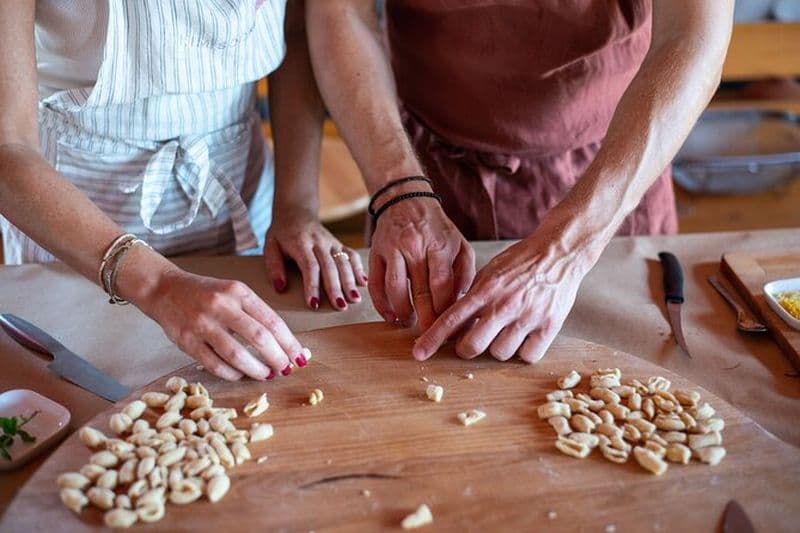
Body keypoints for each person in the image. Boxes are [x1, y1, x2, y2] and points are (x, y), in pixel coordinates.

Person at [306, 1, 734, 361]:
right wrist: (400, 189)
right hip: (421, 169)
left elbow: (692, 41)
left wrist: (566, 248)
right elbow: (341, 11)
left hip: (612, 177)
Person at [0, 1, 365, 381]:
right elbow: (8, 150)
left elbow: (296, 32)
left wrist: (296, 206)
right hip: (74, 232)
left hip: (241, 200)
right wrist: (158, 284)